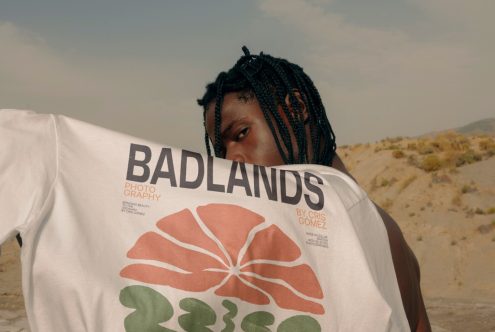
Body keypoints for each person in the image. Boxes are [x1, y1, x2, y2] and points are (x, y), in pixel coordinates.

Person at [197, 46, 431, 331]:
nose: (232, 160)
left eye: (241, 134)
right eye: (221, 152)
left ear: (296, 109)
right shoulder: (384, 227)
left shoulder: (321, 230)